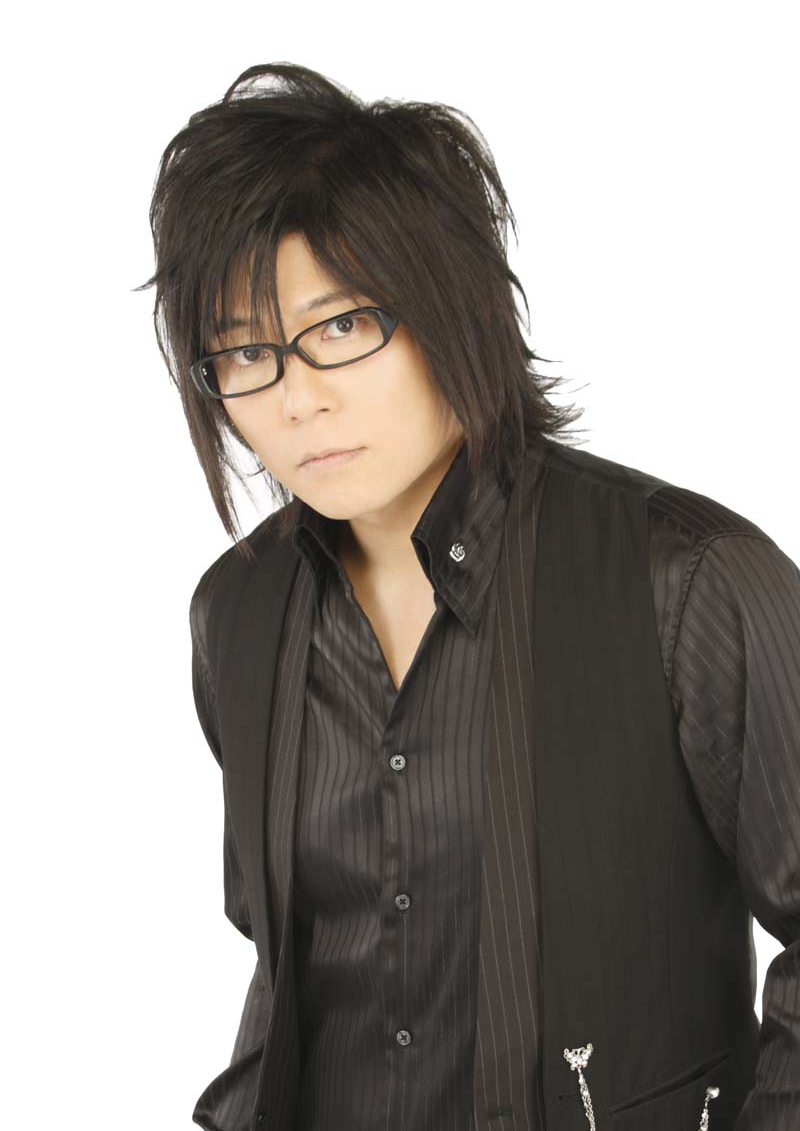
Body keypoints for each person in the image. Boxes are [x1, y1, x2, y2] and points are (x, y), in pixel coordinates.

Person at [138, 62, 800, 1131]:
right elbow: (288, 968)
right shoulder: (237, 615)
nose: (298, 398)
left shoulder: (687, 580)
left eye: (341, 326)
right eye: (246, 351)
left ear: (454, 307)